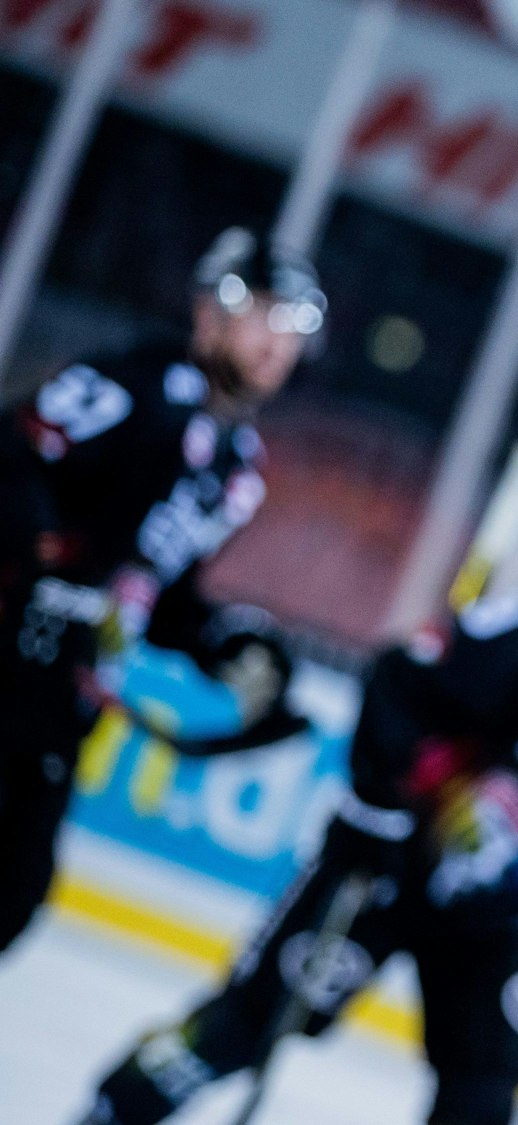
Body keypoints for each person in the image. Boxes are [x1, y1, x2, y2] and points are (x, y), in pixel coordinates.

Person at [78, 486, 518, 1125]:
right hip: (394, 868)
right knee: (248, 1022)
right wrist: (378, 810)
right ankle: (116, 1108)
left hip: (501, 918)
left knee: (484, 1093)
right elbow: (404, 677)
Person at [0, 226, 324, 954]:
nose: (280, 340)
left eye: (296, 325)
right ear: (209, 314)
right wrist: (41, 570)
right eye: (265, 312)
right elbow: (13, 460)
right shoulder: (130, 383)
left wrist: (230, 644)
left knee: (14, 890)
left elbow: (160, 595)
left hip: (54, 705)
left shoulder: (235, 467)